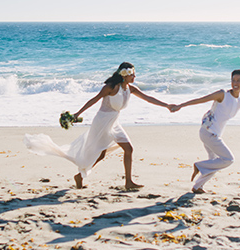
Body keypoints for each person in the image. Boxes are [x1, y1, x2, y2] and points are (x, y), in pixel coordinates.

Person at [24, 62, 173, 190]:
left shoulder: (130, 88)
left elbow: (148, 98)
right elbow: (93, 100)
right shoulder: (111, 87)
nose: (135, 77)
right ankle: (80, 176)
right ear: (124, 75)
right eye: (132, 74)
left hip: (114, 122)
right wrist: (77, 114)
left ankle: (128, 182)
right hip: (101, 122)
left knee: (128, 148)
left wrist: (167, 105)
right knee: (99, 153)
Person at [171, 69, 240, 193]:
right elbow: (201, 99)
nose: (235, 83)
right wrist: (180, 105)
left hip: (212, 134)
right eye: (233, 80)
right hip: (209, 133)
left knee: (215, 162)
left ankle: (198, 186)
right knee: (228, 159)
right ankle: (199, 166)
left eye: (239, 80)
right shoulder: (222, 94)